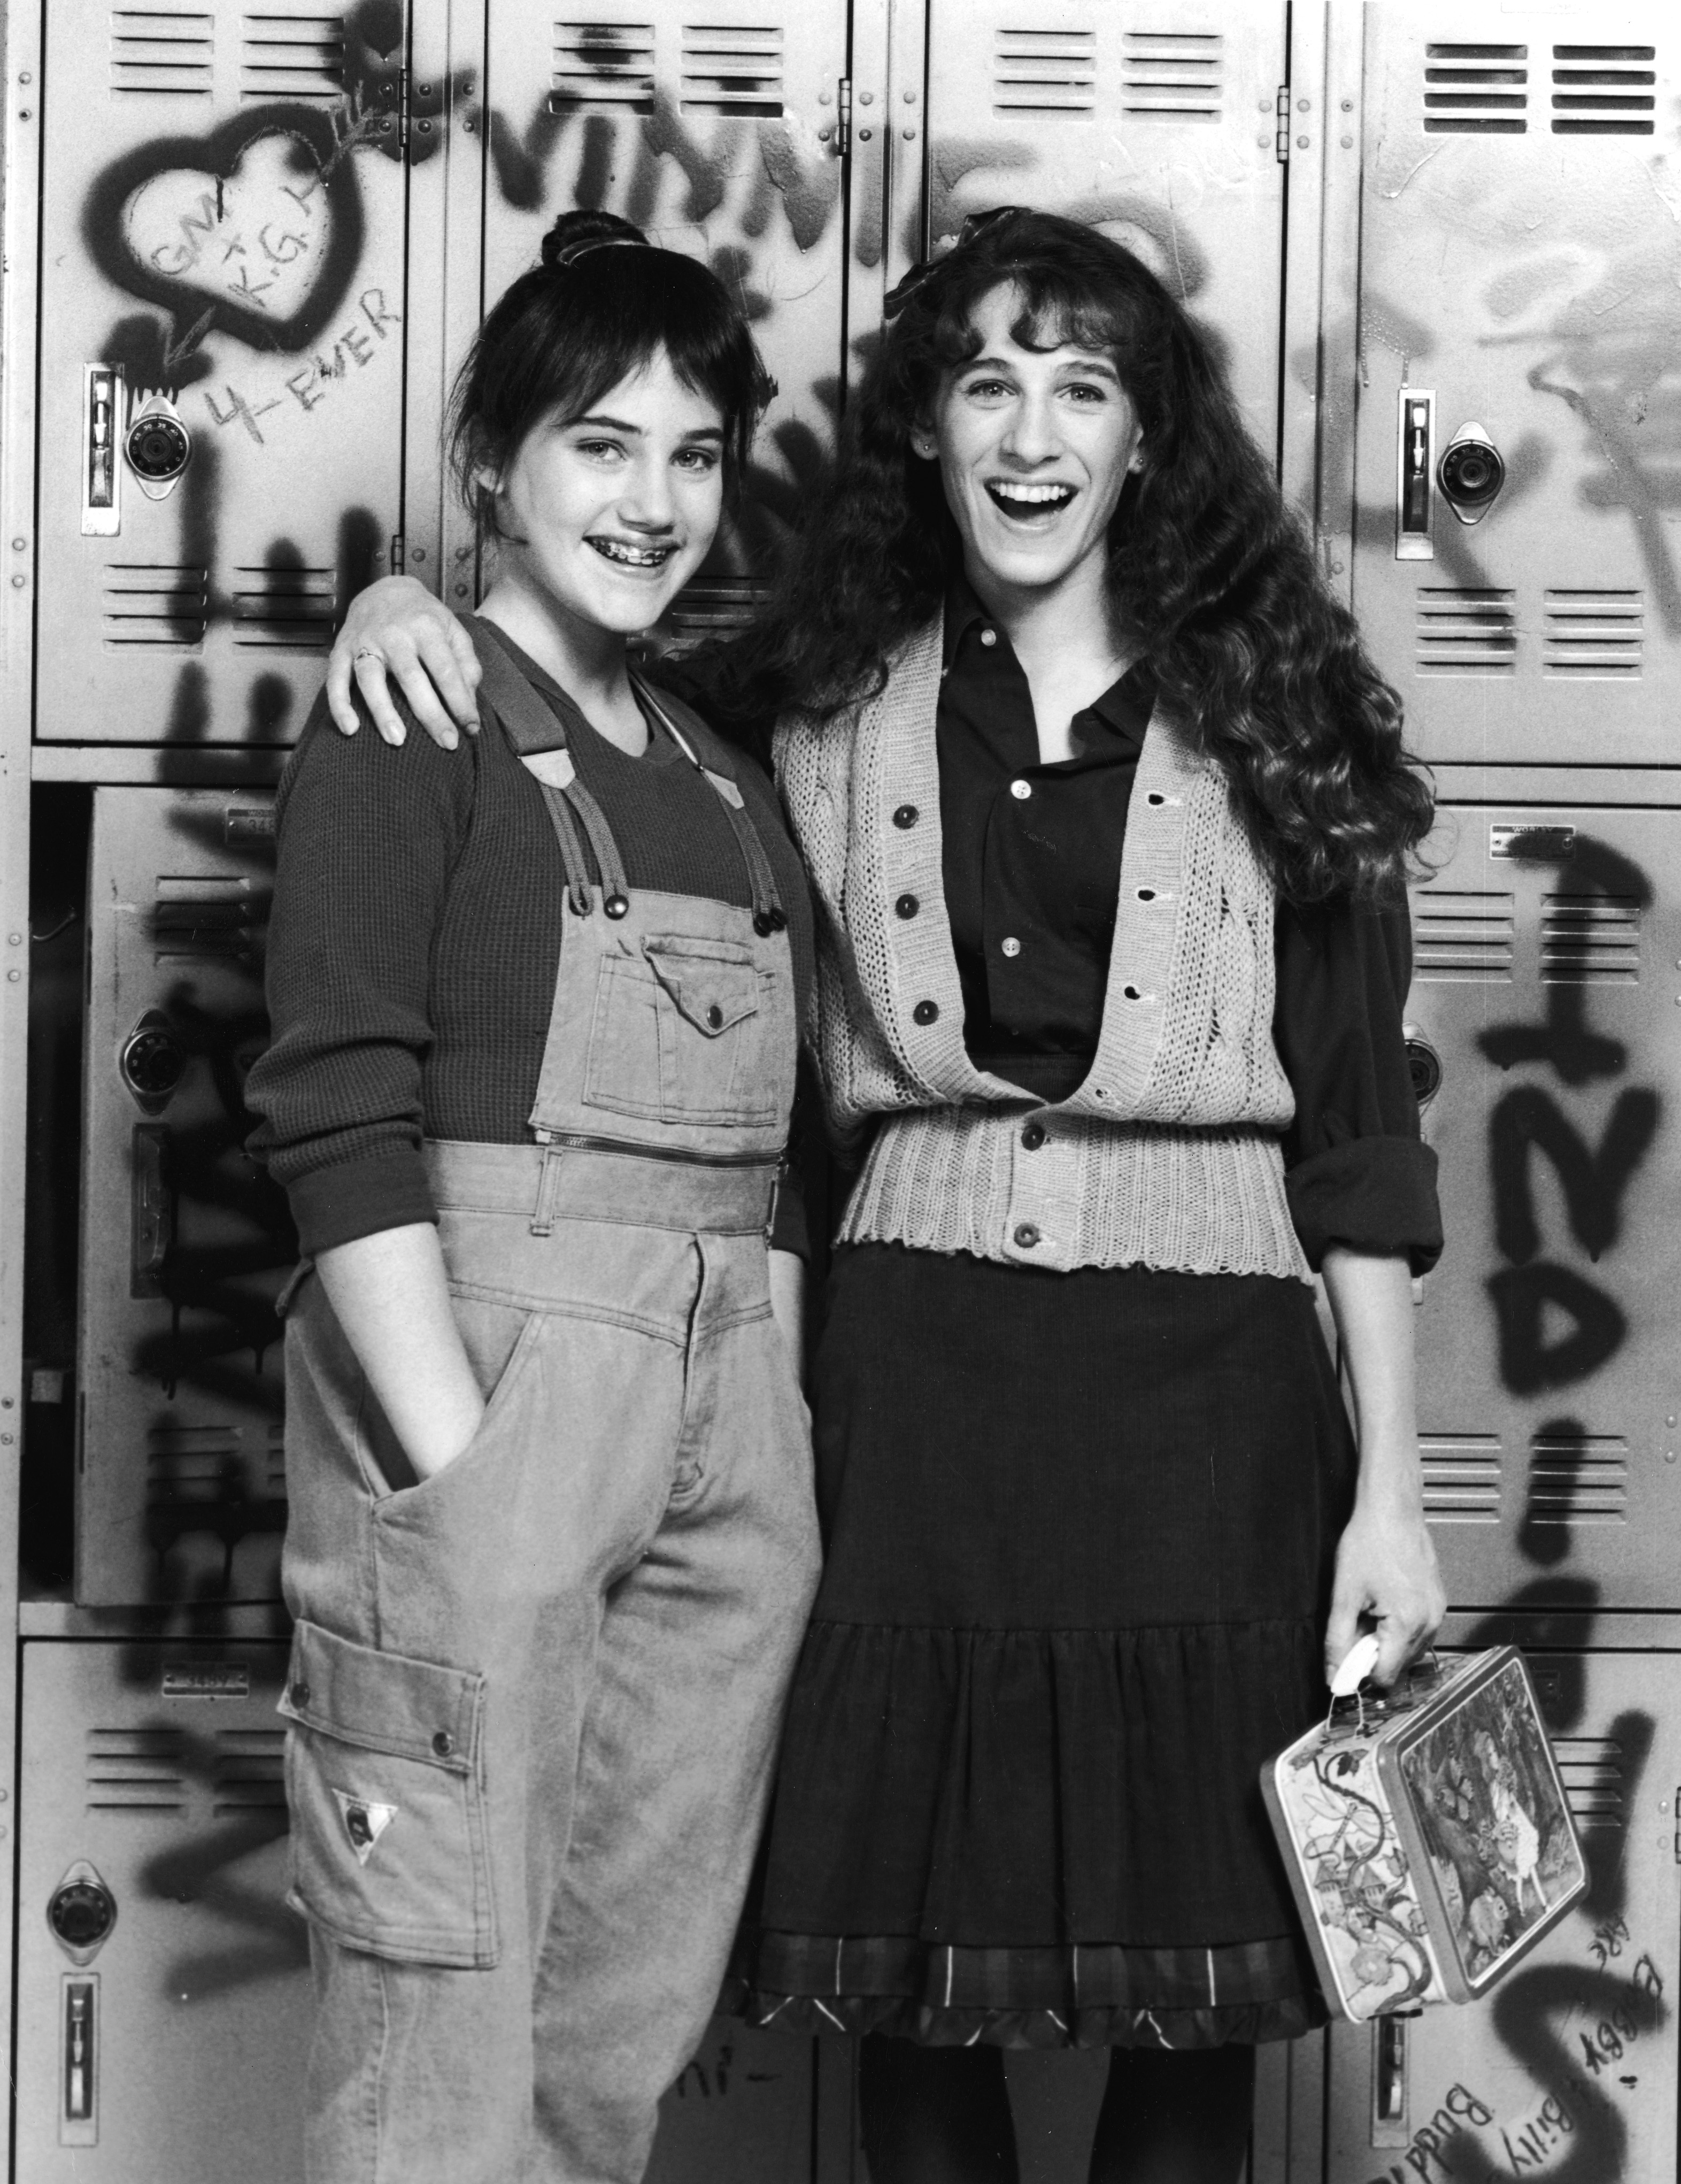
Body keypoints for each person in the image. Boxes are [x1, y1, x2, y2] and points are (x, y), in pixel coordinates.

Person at [321, 207, 1446, 2184]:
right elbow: (563, 710)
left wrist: (1397, 1493)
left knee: (1203, 2000)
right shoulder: (805, 708)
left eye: (1082, 387)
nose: (1031, 432)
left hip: (1217, 1423)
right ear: (922, 423)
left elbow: (1359, 1140)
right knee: (908, 1991)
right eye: (987, 380)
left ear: (1144, 440)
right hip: (907, 1411)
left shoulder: (1283, 716)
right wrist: (397, 610)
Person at [245, 208, 821, 2184]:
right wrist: (463, 1470)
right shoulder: (412, 713)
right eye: (602, 443)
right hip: (494, 1395)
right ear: (494, 461)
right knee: (439, 2026)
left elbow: (783, 1171)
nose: (653, 500)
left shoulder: (730, 775)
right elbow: (335, 1108)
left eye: (694, 454)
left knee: (614, 2029)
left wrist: (781, 1444)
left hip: (720, 1428)